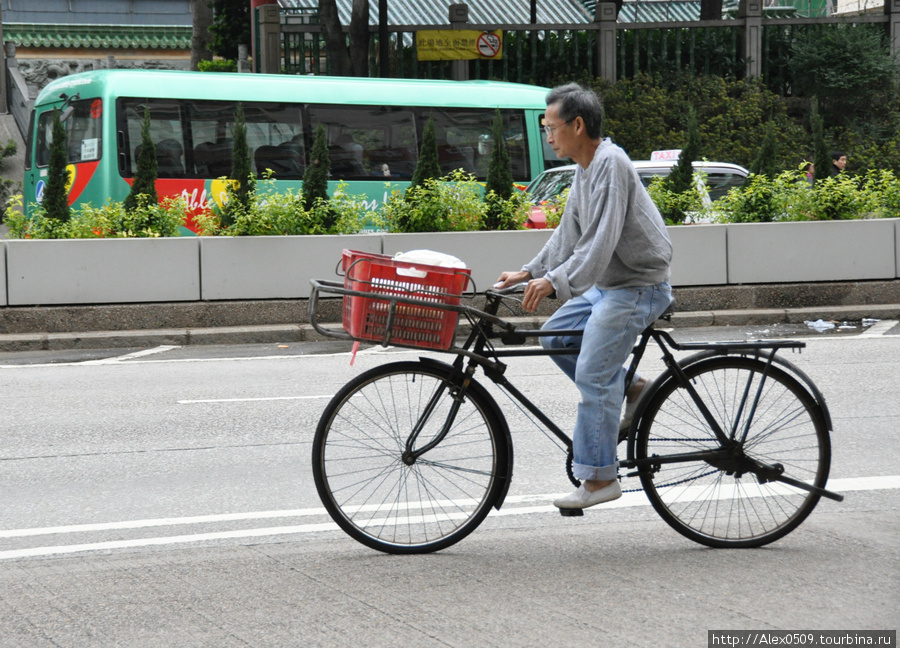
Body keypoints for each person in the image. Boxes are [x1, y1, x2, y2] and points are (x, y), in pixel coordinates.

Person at [495, 83, 673, 511]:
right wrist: (530, 271)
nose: (548, 137)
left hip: (639, 286)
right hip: (610, 285)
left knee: (594, 376)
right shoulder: (585, 167)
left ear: (578, 125)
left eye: (551, 127)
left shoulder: (611, 164)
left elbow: (598, 244)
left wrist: (555, 282)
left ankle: (599, 480)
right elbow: (569, 234)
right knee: (556, 335)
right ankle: (635, 387)